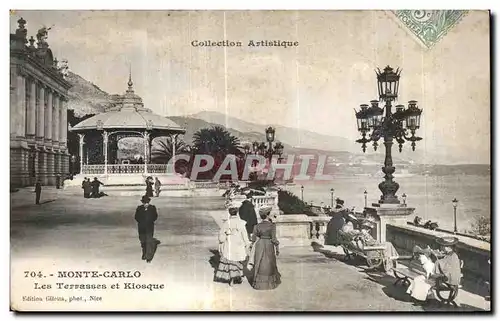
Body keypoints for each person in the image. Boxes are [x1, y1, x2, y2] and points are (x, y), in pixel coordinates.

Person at [214, 203, 250, 286]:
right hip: (238, 243)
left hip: (229, 242)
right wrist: (247, 243)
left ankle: (231, 279)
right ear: (237, 213)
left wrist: (222, 240)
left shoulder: (227, 223)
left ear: (229, 213)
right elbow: (244, 234)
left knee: (230, 260)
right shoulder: (241, 223)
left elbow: (221, 234)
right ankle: (239, 276)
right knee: (238, 260)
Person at [249, 206, 281, 290]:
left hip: (259, 244)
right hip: (269, 244)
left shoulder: (256, 226)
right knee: (269, 262)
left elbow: (253, 239)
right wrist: (277, 248)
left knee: (259, 262)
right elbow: (274, 239)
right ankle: (269, 284)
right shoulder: (272, 226)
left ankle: (258, 283)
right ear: (267, 215)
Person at [134, 195, 159, 263]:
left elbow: (155, 216)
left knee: (149, 241)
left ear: (149, 202)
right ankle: (144, 253)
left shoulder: (152, 208)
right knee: (143, 241)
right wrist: (141, 222)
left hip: (149, 227)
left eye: (147, 203)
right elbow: (136, 217)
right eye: (144, 203)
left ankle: (149, 257)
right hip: (141, 227)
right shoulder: (139, 208)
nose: (146, 204)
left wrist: (150, 221)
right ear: (142, 203)